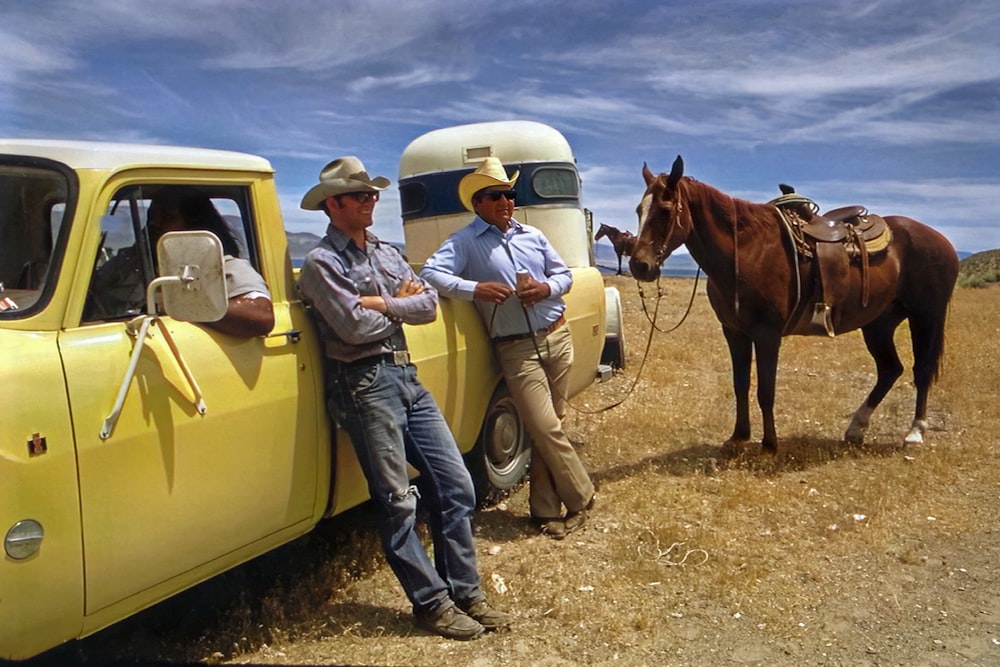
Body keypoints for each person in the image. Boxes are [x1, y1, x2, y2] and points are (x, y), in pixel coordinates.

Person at [295, 156, 511, 641]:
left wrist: (379, 303)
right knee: (397, 502)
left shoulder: (385, 250)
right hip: (365, 384)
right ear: (334, 204)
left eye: (373, 194)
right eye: (361, 196)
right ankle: (432, 604)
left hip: (404, 376)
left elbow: (429, 304)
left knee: (456, 484)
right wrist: (399, 305)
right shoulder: (321, 263)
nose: (372, 201)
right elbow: (351, 328)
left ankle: (464, 591)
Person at [419, 156, 596, 540]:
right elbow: (430, 273)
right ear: (477, 203)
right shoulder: (465, 242)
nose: (505, 201)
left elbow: (563, 274)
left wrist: (545, 288)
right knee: (546, 427)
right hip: (517, 349)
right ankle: (583, 499)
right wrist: (475, 289)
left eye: (509, 193)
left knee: (546, 429)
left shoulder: (532, 236)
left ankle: (544, 511)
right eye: (495, 195)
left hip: (557, 334)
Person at [146, 186, 275, 337]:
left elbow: (261, 315)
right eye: (151, 219)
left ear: (194, 223)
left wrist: (183, 306)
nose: (155, 224)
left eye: (167, 217)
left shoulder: (224, 267)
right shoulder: (138, 267)